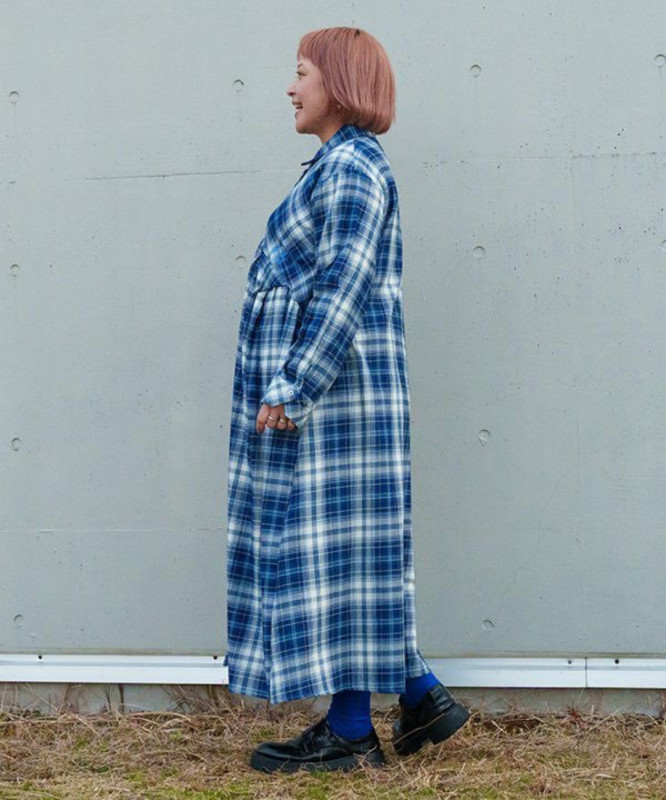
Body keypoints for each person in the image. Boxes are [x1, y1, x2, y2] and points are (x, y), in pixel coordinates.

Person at [224, 26, 470, 773]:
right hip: (336, 399)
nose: (290, 87)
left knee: (339, 556)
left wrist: (294, 383)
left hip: (338, 401)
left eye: (300, 72)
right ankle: (406, 700)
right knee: (344, 558)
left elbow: (344, 284)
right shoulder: (337, 166)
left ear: (337, 82)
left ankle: (361, 726)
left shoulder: (355, 168)